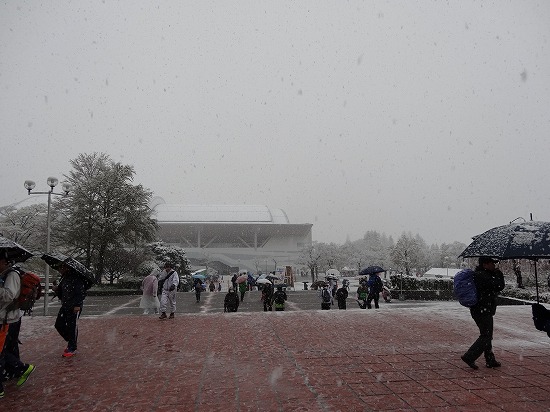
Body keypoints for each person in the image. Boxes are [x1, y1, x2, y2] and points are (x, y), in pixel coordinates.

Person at [0, 252, 35, 398]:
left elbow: (10, 295)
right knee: (7, 348)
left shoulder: (12, 274)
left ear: (4, 261)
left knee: (3, 350)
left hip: (8, 319)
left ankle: (20, 369)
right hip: (6, 318)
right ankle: (14, 371)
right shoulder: (5, 274)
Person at [461, 257, 505, 370]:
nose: (494, 265)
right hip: (482, 310)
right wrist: (499, 274)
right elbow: (499, 286)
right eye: (492, 263)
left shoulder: (479, 274)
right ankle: (469, 356)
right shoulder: (483, 276)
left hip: (480, 309)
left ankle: (490, 359)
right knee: (486, 335)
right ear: (485, 264)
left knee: (486, 334)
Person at [52, 261, 87, 358]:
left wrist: (78, 305)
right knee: (59, 324)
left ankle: (72, 346)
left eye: (61, 268)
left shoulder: (76, 278)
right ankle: (71, 339)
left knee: (72, 326)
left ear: (66, 268)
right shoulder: (64, 278)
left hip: (74, 306)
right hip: (65, 305)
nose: (59, 270)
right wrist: (56, 289)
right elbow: (61, 293)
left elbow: (81, 293)